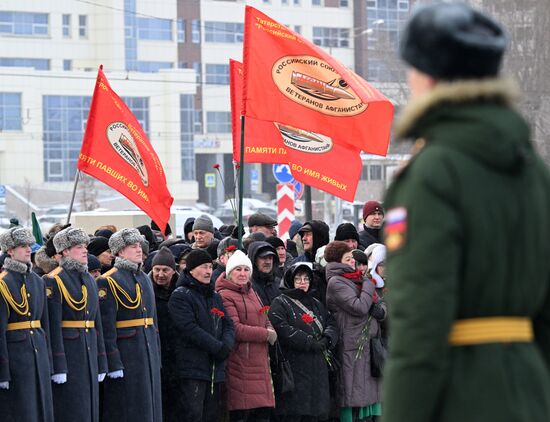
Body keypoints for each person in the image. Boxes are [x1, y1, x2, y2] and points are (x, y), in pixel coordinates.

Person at [382, 3, 550, 422]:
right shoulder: (532, 169)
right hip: (529, 390)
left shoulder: (432, 173)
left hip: (459, 395)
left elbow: (420, 325)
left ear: (429, 77)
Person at [97, 228, 162, 422]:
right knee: (129, 407)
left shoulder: (144, 278)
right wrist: (113, 362)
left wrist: (156, 354)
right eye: (132, 246)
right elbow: (106, 328)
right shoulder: (108, 281)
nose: (138, 249)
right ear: (119, 252)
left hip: (147, 351)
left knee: (151, 406)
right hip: (127, 354)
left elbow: (153, 321)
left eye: (139, 245)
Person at [44, 227, 108, 422]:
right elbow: (52, 327)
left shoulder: (89, 279)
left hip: (89, 352)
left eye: (85, 247)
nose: (85, 251)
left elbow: (97, 324)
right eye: (79, 247)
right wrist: (58, 366)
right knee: (71, 409)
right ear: (64, 251)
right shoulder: (53, 280)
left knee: (90, 409)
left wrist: (102, 361)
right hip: (70, 354)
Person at [169, 249, 235, 422]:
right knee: (194, 414)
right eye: (203, 267)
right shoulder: (181, 295)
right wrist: (217, 347)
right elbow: (188, 328)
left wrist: (227, 344)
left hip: (215, 368)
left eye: (210, 267)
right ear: (191, 270)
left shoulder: (214, 296)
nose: (208, 271)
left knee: (212, 415)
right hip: (192, 367)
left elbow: (228, 323)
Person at [269, 262, 338, 421]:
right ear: (290, 280)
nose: (302, 282)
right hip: (295, 365)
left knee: (316, 412)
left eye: (306, 279)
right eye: (298, 278)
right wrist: (309, 342)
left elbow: (331, 323)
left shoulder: (316, 303)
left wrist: (327, 338)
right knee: (295, 411)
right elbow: (281, 327)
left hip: (318, 366)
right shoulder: (280, 302)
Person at [0, 227, 54, 421]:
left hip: (38, 355)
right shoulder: (3, 283)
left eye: (28, 246)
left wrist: (50, 363)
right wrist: (2, 372)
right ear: (10, 251)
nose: (27, 250)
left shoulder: (37, 282)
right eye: (22, 246)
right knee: (22, 411)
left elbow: (44, 325)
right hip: (16, 359)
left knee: (42, 409)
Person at [325, 241, 383, 422]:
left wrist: (381, 311)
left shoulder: (355, 279)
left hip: (367, 344)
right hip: (352, 344)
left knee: (367, 392)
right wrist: (368, 284)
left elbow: (379, 305)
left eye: (352, 259)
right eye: (348, 259)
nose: (353, 262)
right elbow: (358, 307)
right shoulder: (336, 282)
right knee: (352, 392)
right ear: (337, 261)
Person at [216, 250, 276, 421]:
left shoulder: (252, 291)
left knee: (261, 413)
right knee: (243, 412)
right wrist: (265, 334)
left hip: (260, 362)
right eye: (238, 269)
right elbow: (235, 328)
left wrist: (270, 327)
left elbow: (263, 316)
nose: (242, 274)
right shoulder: (225, 294)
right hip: (240, 362)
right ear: (229, 272)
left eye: (245, 269)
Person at [149, 247, 180, 422]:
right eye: (157, 270)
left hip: (177, 355)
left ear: (173, 271)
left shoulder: (181, 291)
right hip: (157, 353)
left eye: (165, 270)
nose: (160, 274)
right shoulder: (147, 291)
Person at [292, 221, 330, 304]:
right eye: (303, 235)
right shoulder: (296, 264)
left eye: (308, 234)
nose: (303, 238)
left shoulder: (333, 262)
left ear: (319, 237)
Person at [248, 241, 282, 307]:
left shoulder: (280, 284)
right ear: (254, 260)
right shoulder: (247, 285)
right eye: (264, 258)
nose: (268, 262)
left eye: (270, 258)